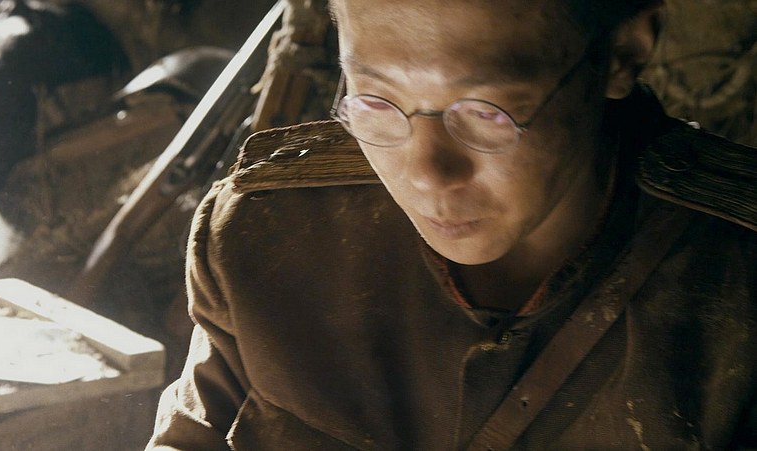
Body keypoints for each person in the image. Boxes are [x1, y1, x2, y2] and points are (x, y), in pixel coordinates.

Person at [148, 0, 757, 449]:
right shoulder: (269, 236)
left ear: (623, 54)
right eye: (375, 101)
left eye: (489, 113)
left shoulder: (735, 288)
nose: (427, 174)